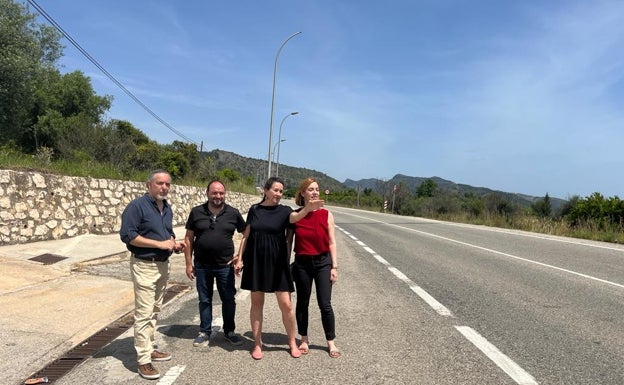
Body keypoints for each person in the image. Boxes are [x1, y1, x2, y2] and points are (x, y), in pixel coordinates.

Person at [233, 177, 322, 360]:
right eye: (275, 190)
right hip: (256, 262)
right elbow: (246, 236)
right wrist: (240, 258)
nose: (278, 194)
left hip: (278, 264)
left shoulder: (284, 211)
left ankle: (291, 342)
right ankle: (257, 344)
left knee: (286, 305)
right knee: (257, 304)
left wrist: (307, 209)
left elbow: (295, 218)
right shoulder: (254, 210)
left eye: (281, 191)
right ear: (266, 190)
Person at [120, 169, 186, 380]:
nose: (164, 187)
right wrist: (159, 243)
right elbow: (128, 236)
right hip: (144, 265)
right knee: (144, 312)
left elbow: (167, 233)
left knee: (155, 310)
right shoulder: (136, 206)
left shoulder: (166, 208)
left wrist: (174, 243)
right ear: (149, 185)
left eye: (167, 184)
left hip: (162, 265)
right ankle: (143, 361)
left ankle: (149, 348)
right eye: (160, 183)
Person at [183, 180, 246, 348]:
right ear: (207, 193)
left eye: (221, 193)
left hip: (225, 266)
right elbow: (188, 239)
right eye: (215, 193)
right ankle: (204, 332)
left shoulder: (233, 213)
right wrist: (188, 264)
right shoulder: (196, 212)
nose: (218, 196)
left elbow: (247, 234)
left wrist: (240, 257)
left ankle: (229, 331)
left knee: (228, 299)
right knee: (204, 299)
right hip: (202, 265)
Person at [289, 177, 340, 358]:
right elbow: (292, 224)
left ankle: (330, 342)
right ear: (302, 193)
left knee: (325, 303)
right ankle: (304, 339)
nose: (315, 192)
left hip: (323, 262)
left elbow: (332, 242)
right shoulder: (295, 215)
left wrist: (334, 266)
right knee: (302, 302)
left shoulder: (327, 214)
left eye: (317, 189)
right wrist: (307, 209)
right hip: (302, 263)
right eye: (310, 189)